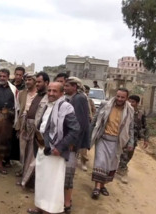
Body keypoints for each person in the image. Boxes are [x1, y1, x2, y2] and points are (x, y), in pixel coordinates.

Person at [27, 82, 80, 214]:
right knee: (41, 180)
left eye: (54, 91)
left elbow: (75, 130)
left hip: (55, 152)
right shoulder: (48, 105)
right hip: (43, 148)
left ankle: (49, 210)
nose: (51, 93)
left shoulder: (65, 107)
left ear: (62, 93)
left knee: (52, 184)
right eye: (49, 90)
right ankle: (40, 208)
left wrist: (60, 147)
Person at [90, 88, 134, 199]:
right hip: (102, 139)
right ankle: (97, 188)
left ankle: (103, 185)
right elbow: (96, 119)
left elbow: (131, 128)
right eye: (118, 96)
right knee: (100, 162)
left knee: (110, 165)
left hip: (116, 142)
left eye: (122, 97)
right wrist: (90, 133)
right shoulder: (106, 105)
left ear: (126, 98)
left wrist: (131, 142)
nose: (119, 99)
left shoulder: (129, 110)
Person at [16, 72, 49, 189]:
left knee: (33, 157)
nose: (37, 84)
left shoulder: (47, 97)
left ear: (46, 83)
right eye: (38, 81)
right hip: (26, 127)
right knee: (25, 154)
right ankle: (25, 178)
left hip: (37, 131)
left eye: (39, 82)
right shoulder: (37, 95)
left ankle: (28, 181)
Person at [63, 77, 90, 213]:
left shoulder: (79, 99)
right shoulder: (72, 98)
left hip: (72, 143)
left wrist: (73, 142)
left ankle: (67, 203)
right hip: (69, 141)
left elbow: (80, 123)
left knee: (68, 173)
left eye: (67, 86)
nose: (65, 88)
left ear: (75, 86)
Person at [118, 95, 149, 184]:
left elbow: (145, 126)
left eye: (133, 102)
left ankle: (121, 167)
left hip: (134, 137)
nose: (130, 103)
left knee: (129, 155)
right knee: (123, 154)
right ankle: (123, 171)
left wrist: (146, 139)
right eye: (129, 101)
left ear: (137, 103)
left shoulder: (140, 113)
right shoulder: (123, 110)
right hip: (122, 136)